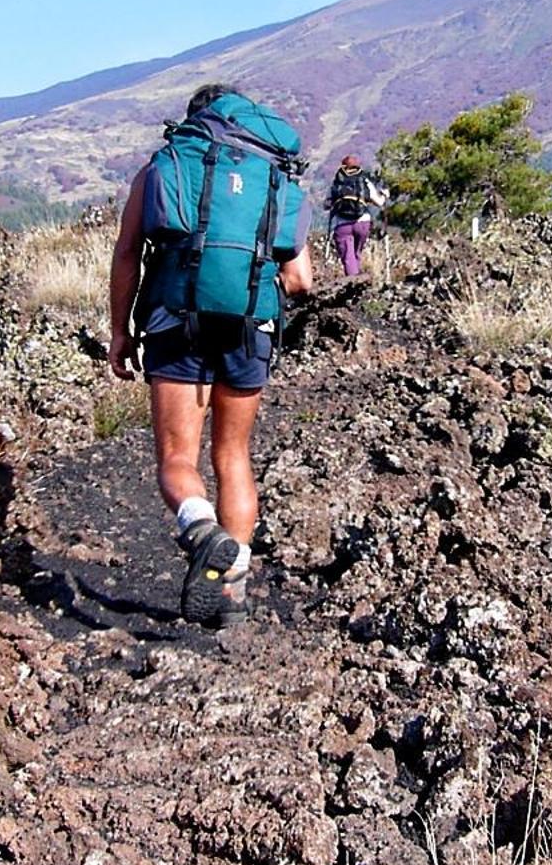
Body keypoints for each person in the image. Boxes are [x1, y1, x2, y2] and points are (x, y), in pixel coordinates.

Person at [109, 84, 314, 627]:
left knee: (179, 458)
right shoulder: (275, 175)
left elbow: (128, 253)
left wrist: (120, 332)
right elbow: (299, 280)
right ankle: (233, 594)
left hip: (175, 321)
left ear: (195, 120)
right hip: (250, 327)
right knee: (233, 456)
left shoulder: (168, 163)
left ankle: (201, 531)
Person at [326, 155, 387, 277]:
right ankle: (359, 282)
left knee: (349, 259)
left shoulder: (338, 181)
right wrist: (385, 195)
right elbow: (379, 202)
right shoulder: (364, 180)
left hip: (342, 225)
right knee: (356, 254)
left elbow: (326, 204)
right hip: (363, 222)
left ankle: (353, 284)